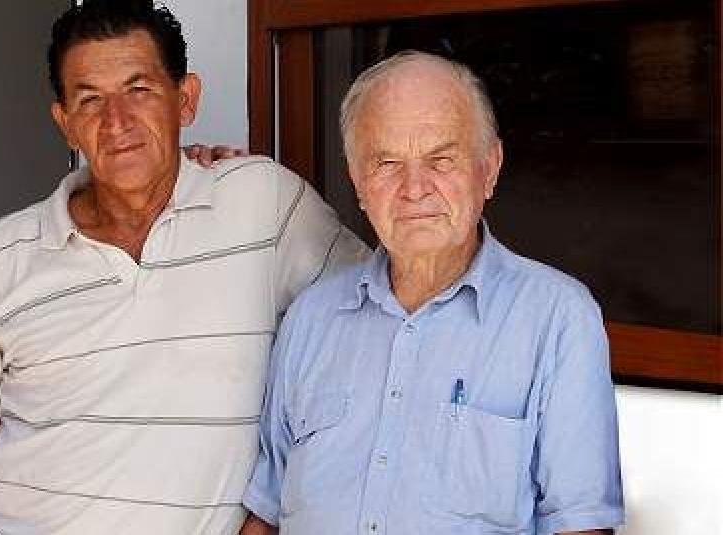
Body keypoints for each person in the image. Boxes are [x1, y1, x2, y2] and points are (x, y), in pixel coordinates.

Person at [0, 1, 368, 533]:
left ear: (185, 99)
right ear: (66, 124)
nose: (116, 122)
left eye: (139, 89)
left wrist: (270, 506)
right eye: (90, 99)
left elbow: (368, 327)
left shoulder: (261, 203)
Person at [242, 51, 625, 534]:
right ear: (358, 182)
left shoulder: (558, 319)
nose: (414, 189)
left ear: (489, 169)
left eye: (441, 160)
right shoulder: (310, 318)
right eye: (387, 163)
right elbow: (267, 514)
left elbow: (581, 526)